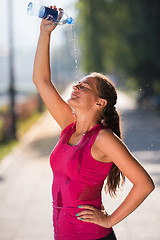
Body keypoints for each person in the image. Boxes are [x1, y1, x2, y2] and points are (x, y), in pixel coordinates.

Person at [33, 6, 155, 240]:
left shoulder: (103, 138)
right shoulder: (69, 126)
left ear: (100, 103)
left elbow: (144, 184)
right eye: (78, 83)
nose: (76, 87)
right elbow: (41, 80)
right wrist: (45, 33)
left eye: (85, 86)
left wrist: (109, 219)